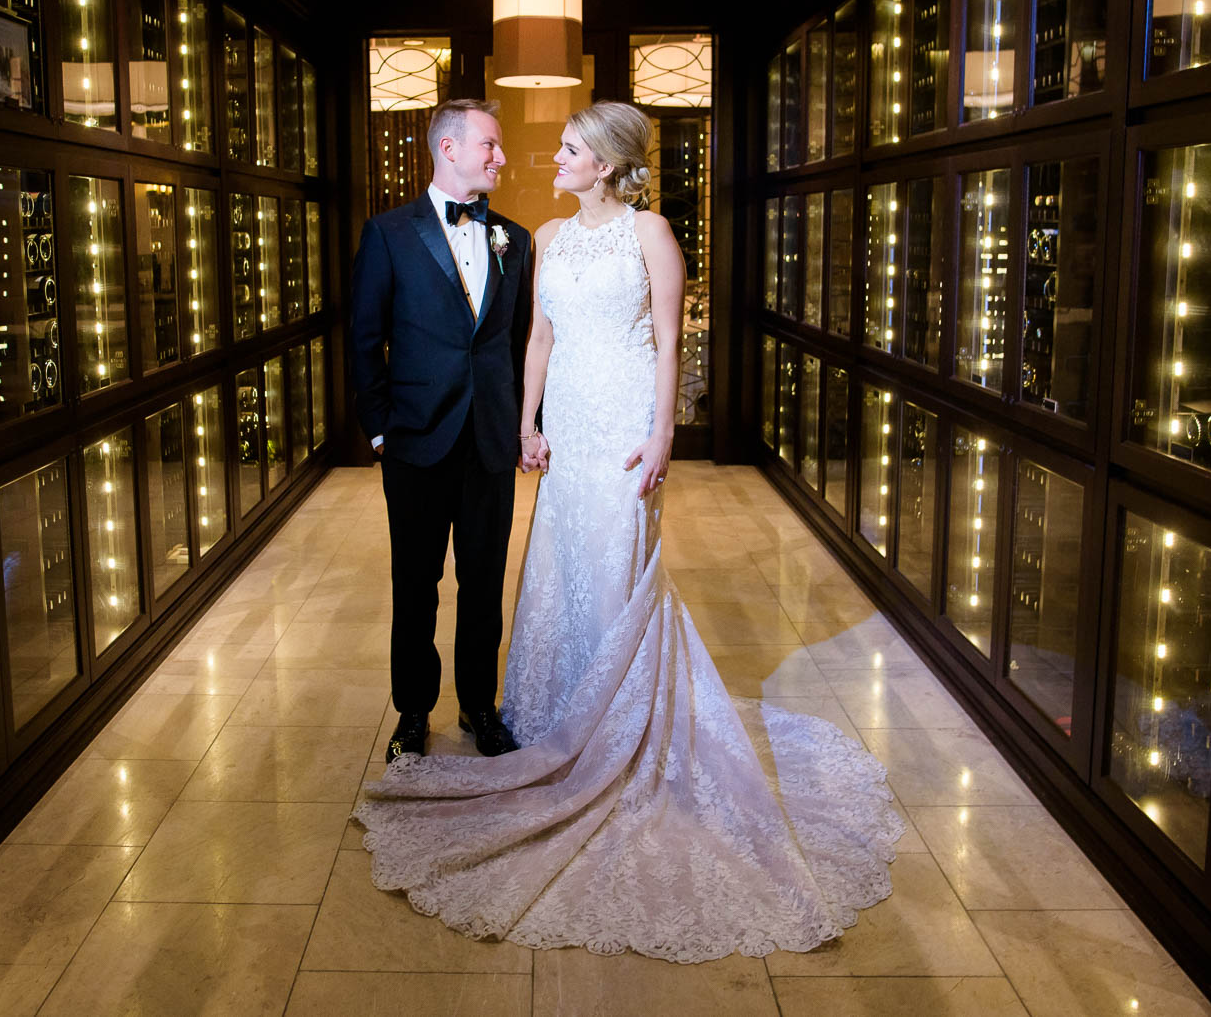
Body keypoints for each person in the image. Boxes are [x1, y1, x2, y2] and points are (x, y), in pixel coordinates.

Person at [352, 101, 903, 962]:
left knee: (548, 573)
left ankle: (529, 716)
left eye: (566, 147)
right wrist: (521, 420)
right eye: (499, 143)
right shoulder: (527, 237)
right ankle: (435, 712)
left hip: (607, 434)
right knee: (479, 574)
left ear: (605, 162)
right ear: (451, 149)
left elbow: (667, 344)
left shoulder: (635, 233)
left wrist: (661, 433)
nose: (536, 155)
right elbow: (520, 336)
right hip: (521, 432)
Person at [349, 98, 532, 763]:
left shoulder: (516, 238)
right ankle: (413, 711)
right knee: (415, 582)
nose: (501, 157)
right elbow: (365, 338)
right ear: (449, 148)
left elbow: (513, 343)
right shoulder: (389, 233)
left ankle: (480, 707)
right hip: (416, 440)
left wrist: (519, 425)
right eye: (490, 145)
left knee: (484, 582)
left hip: (488, 439)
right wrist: (378, 431)